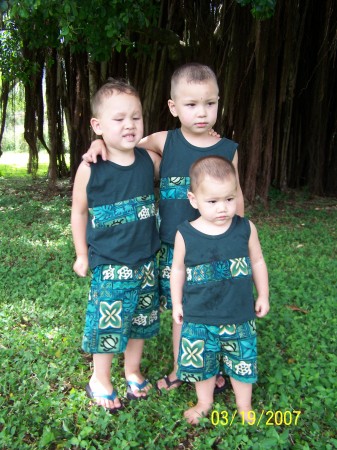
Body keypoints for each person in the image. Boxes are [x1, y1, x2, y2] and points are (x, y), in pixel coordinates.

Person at [82, 63, 244, 393]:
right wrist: (97, 144)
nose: (202, 113)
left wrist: (237, 240)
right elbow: (124, 147)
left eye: (210, 103)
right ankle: (182, 367)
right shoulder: (164, 141)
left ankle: (211, 369)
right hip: (174, 248)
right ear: (173, 107)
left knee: (213, 307)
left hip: (215, 247)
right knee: (181, 312)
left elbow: (236, 196)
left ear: (218, 102)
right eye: (191, 105)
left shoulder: (228, 149)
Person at [71, 79, 161, 413]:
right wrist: (82, 254)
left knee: (140, 320)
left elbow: (174, 145)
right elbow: (79, 212)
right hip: (110, 262)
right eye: (119, 118)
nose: (129, 125)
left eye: (136, 117)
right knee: (109, 322)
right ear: (97, 124)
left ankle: (132, 370)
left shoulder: (146, 160)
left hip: (147, 258)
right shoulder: (91, 168)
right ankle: (101, 379)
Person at [171, 155, 269, 424]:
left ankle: (244, 405)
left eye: (229, 198)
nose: (223, 208)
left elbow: (258, 261)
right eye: (212, 201)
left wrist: (263, 295)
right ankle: (204, 401)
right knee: (202, 363)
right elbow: (178, 270)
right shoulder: (185, 233)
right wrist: (177, 303)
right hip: (199, 316)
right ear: (194, 200)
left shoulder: (245, 228)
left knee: (242, 361)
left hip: (238, 315)